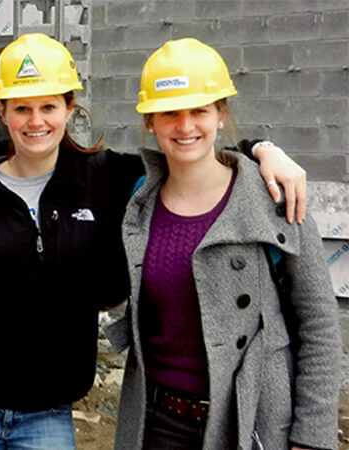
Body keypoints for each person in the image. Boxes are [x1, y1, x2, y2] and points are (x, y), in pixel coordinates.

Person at [0, 33, 310, 449]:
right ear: (3, 112)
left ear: (69, 108)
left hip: (47, 409)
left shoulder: (110, 178)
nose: (36, 121)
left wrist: (262, 150)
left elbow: (192, 154)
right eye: (22, 108)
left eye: (49, 106)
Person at [109, 38, 340, 449]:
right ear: (150, 122)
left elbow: (319, 326)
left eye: (199, 110)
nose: (185, 126)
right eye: (170, 114)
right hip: (155, 422)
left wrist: (311, 437)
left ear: (221, 115)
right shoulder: (138, 202)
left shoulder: (274, 197)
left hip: (250, 423)